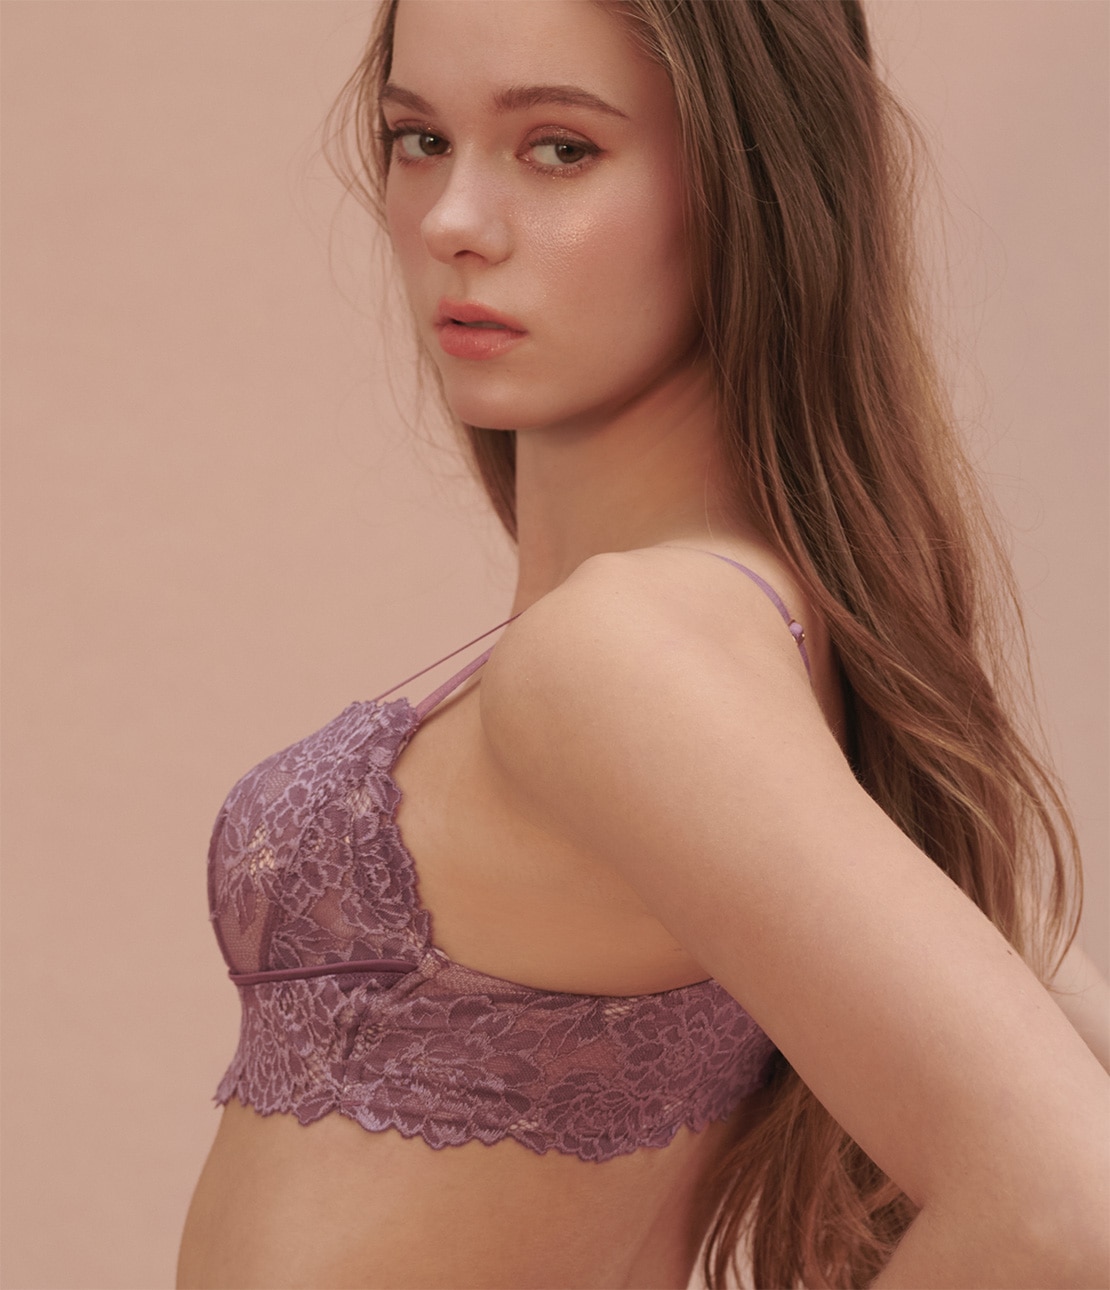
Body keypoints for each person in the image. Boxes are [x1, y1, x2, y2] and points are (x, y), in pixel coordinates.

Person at [176, 1, 1110, 1286]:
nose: (454, 220)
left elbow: (1064, 1202)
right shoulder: (760, 631)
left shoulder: (626, 653)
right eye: (418, 138)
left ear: (755, 182)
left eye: (559, 148)